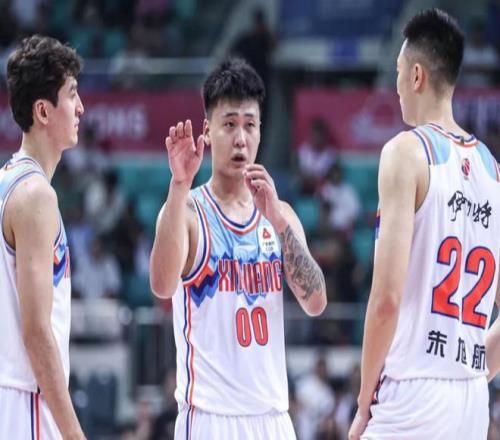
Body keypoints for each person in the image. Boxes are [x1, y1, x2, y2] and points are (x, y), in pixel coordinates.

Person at [150, 57, 327, 439]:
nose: (241, 138)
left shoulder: (281, 214)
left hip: (272, 418)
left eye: (250, 124)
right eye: (229, 124)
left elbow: (316, 302)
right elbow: (162, 286)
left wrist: (278, 221)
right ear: (207, 131)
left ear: (260, 130)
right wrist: (178, 185)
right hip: (210, 418)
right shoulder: (187, 211)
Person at [348, 9, 500, 440]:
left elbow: (386, 299)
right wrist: (474, 375)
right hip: (471, 399)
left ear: (416, 76)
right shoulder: (494, 171)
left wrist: (364, 401)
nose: (395, 86)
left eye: (398, 72)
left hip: (412, 393)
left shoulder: (405, 152)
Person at [1, 35, 86, 439]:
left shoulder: (6, 183)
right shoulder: (36, 195)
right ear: (43, 111)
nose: (81, 107)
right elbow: (36, 331)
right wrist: (73, 433)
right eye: (72, 94)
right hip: (24, 402)